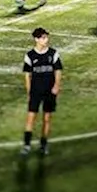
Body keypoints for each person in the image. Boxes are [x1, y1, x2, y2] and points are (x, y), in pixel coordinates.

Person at [21, 27, 62, 157]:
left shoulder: (53, 53)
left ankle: (43, 144)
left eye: (46, 37)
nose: (46, 40)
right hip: (35, 91)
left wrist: (56, 85)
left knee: (47, 118)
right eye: (43, 38)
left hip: (49, 91)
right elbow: (27, 75)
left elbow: (58, 71)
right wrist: (29, 92)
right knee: (31, 118)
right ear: (36, 39)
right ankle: (26, 145)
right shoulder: (29, 56)